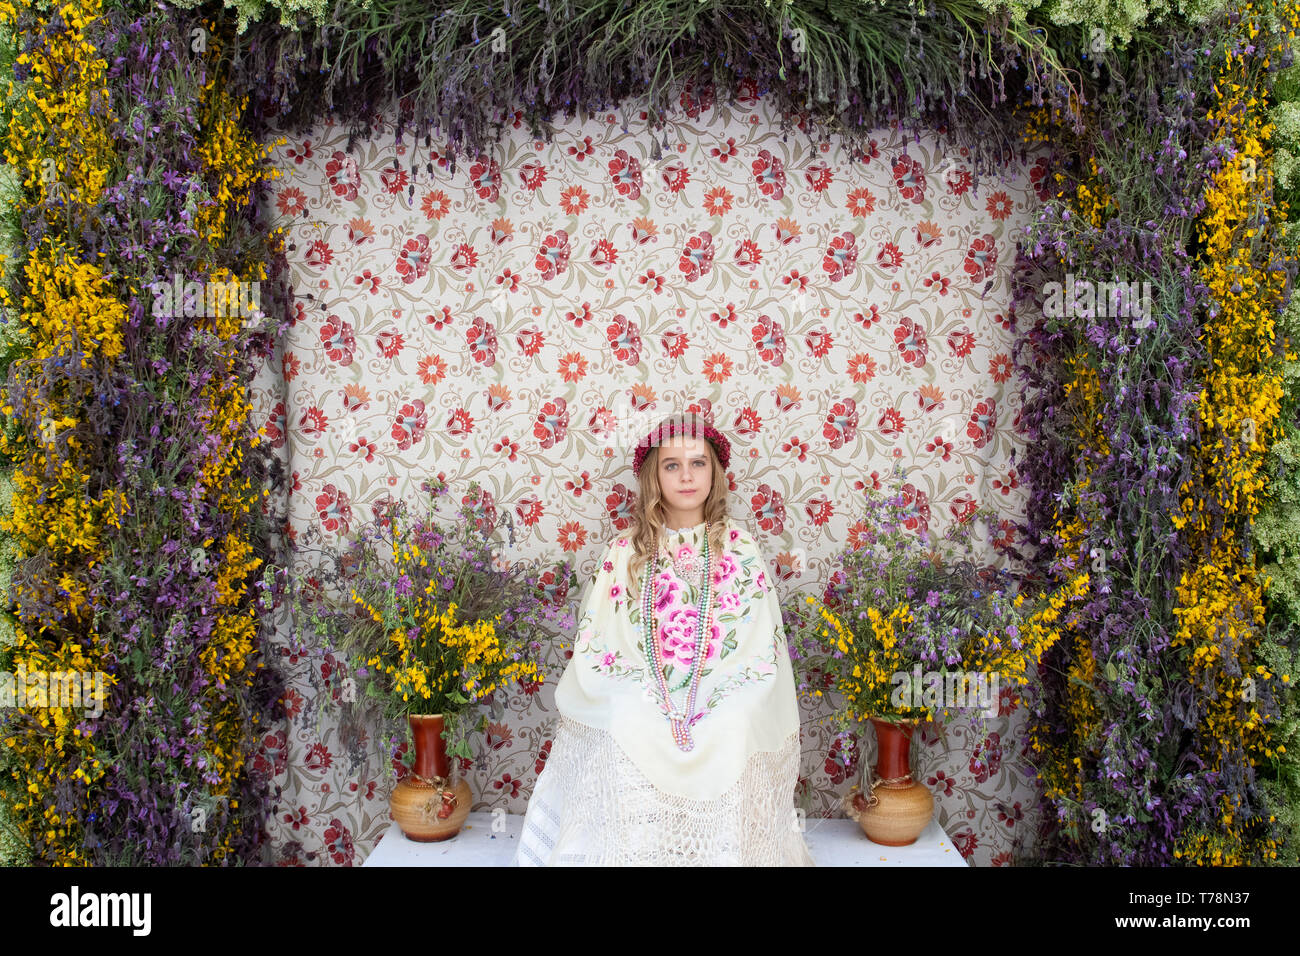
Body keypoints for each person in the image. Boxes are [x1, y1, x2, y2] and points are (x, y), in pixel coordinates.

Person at [512, 413, 815, 865]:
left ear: (715, 473)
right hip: (644, 684)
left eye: (698, 463)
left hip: (722, 684)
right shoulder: (625, 551)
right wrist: (653, 693)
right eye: (672, 465)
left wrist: (713, 694)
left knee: (731, 719)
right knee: (628, 715)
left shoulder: (740, 547)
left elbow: (759, 645)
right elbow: (601, 643)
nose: (687, 475)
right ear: (654, 474)